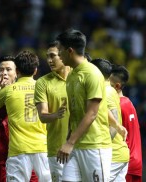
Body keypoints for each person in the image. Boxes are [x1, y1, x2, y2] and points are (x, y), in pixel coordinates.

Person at [0, 50, 51, 182]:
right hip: (43, 148)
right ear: (35, 70)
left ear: (17, 70)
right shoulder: (45, 87)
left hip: (18, 150)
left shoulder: (6, 91)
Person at [56, 29, 112, 182]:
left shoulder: (92, 74)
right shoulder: (72, 75)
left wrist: (69, 142)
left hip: (94, 146)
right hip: (76, 145)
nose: (59, 55)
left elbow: (92, 113)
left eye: (60, 51)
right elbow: (74, 112)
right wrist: (69, 139)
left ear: (70, 51)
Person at [0, 55, 39, 182]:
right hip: (1, 157)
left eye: (8, 69)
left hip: (28, 151)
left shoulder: (35, 90)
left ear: (17, 72)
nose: (4, 73)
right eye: (1, 70)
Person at [34, 41, 70, 181]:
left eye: (53, 56)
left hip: (80, 147)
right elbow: (43, 116)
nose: (49, 60)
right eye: (47, 56)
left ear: (63, 55)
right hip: (56, 149)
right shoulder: (43, 82)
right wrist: (56, 115)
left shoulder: (78, 77)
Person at [91, 58, 129, 182]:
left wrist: (102, 147)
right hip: (119, 153)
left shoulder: (105, 91)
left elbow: (114, 122)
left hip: (113, 155)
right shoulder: (110, 89)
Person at [110, 65, 142, 182]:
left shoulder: (117, 105)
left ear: (117, 86)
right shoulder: (128, 102)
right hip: (135, 160)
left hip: (124, 162)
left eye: (108, 83)